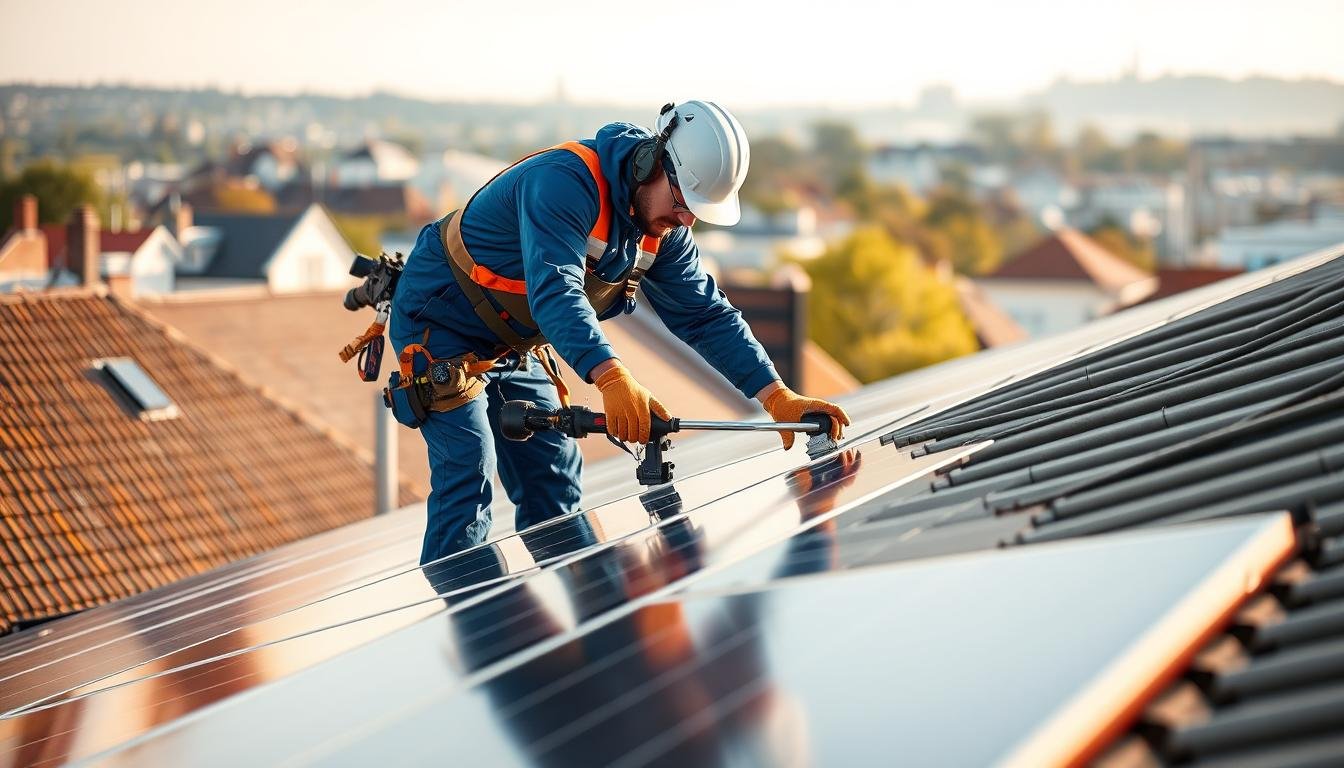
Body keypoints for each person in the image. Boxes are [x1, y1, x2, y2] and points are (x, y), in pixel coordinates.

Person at [387, 100, 850, 566]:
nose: (687, 219)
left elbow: (704, 315)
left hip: (513, 342)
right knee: (468, 467)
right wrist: (611, 377)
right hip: (439, 325)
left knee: (553, 473)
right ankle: (471, 626)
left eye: (697, 210)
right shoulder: (565, 184)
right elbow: (556, 291)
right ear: (652, 162)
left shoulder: (664, 229)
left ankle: (587, 627)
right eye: (683, 201)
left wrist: (775, 395)